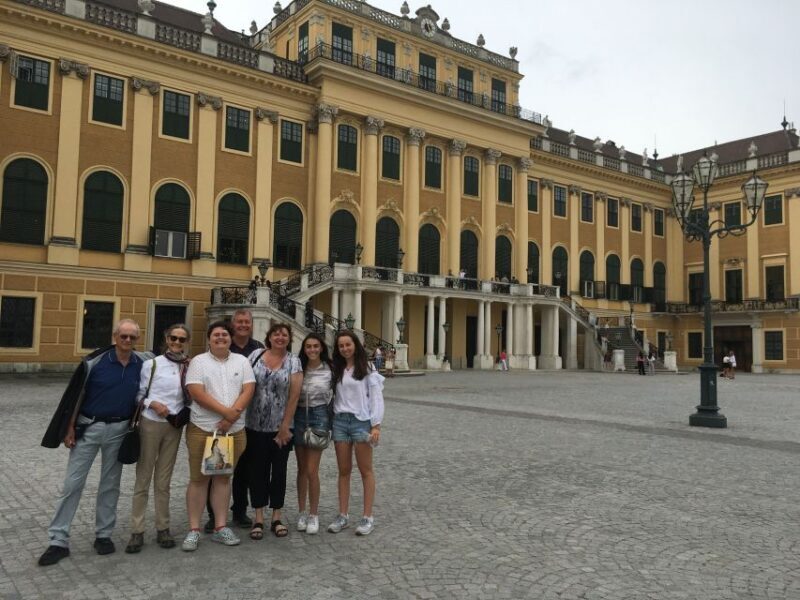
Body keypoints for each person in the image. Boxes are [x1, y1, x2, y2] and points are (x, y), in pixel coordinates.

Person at [39, 319, 151, 566]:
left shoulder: (142, 363)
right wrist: (69, 427)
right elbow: (77, 395)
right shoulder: (96, 362)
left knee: (110, 484)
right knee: (73, 484)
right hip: (89, 427)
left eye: (133, 337)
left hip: (120, 429)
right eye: (124, 336)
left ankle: (103, 535)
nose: (128, 341)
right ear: (115, 337)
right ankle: (58, 540)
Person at [182, 321, 255, 551]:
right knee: (199, 478)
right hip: (203, 428)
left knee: (223, 478)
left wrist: (230, 419)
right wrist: (227, 414)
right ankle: (194, 529)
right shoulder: (198, 362)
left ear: (230, 339)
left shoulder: (241, 361)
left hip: (232, 431)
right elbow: (197, 393)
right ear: (209, 339)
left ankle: (220, 527)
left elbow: (248, 389)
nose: (221, 338)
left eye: (224, 334)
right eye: (216, 335)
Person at [125, 324, 191, 554]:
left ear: (186, 342)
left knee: (164, 480)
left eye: (182, 339)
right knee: (143, 477)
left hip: (173, 426)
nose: (177, 342)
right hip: (150, 423)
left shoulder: (188, 366)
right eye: (174, 338)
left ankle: (163, 527)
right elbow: (139, 395)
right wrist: (153, 403)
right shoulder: (151, 364)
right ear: (166, 338)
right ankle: (137, 529)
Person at [204, 308, 264, 532]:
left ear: (251, 324)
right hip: (220, 417)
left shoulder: (258, 348)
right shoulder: (220, 346)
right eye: (239, 322)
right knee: (216, 467)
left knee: (243, 469)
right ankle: (213, 514)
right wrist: (227, 414)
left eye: (246, 322)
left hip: (247, 418)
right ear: (232, 324)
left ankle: (239, 510)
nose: (243, 325)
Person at [246, 323, 302, 541]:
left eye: (284, 335)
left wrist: (285, 426)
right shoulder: (255, 356)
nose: (280, 337)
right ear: (269, 337)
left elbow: (295, 395)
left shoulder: (293, 361)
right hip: (254, 426)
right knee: (256, 471)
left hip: (282, 429)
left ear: (289, 339)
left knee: (279, 472)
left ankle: (276, 516)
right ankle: (258, 516)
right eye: (276, 334)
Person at [328, 331, 385, 537]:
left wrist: (376, 424)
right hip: (341, 422)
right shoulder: (336, 368)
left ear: (356, 346)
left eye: (348, 345)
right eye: (341, 346)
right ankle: (343, 515)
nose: (345, 348)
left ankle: (367, 516)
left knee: (365, 470)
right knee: (343, 470)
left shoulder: (368, 368)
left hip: (361, 422)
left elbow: (376, 398)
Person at [294, 333, 333, 536]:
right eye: (308, 346)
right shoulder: (298, 367)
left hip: (319, 416)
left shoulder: (330, 369)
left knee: (311, 470)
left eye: (315, 346)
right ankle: (301, 512)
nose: (312, 350)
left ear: (321, 348)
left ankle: (313, 514)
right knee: (301, 469)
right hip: (299, 415)